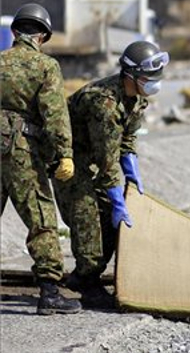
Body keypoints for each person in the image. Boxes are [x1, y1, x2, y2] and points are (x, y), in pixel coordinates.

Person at [53, 40, 168, 308]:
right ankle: (88, 282)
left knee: (110, 218)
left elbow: (126, 141)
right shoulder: (104, 103)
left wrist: (132, 173)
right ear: (130, 76)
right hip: (70, 159)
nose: (154, 84)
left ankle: (83, 276)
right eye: (148, 78)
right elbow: (107, 163)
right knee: (87, 215)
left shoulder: (137, 97)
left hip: (93, 158)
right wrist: (117, 200)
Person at [0, 3, 81, 315]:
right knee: (41, 218)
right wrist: (64, 154)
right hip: (20, 150)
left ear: (14, 31)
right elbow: (55, 116)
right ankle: (49, 292)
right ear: (43, 36)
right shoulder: (45, 66)